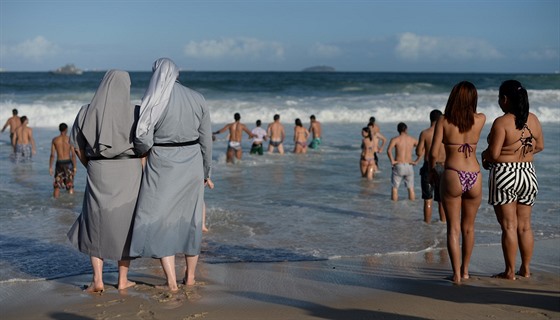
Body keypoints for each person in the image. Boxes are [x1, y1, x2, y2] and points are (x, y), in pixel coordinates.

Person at [130, 58, 213, 292]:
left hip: (163, 163)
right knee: (191, 220)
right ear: (177, 73)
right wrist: (206, 171)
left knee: (161, 221)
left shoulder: (154, 99)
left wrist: (139, 152)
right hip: (193, 161)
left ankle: (172, 282)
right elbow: (206, 140)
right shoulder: (198, 98)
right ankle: (191, 278)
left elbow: (143, 140)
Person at [67, 70, 142, 292]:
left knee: (94, 222)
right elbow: (145, 145)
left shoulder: (85, 112)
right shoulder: (136, 112)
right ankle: (122, 280)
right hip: (129, 169)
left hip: (97, 168)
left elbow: (77, 147)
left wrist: (90, 165)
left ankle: (98, 280)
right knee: (126, 223)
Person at [481, 80, 544, 280]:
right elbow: (540, 146)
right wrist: (522, 153)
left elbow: (494, 153)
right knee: (525, 225)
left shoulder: (502, 122)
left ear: (505, 99)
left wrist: (484, 154)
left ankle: (509, 271)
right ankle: (525, 269)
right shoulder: (533, 119)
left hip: (506, 173)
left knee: (509, 226)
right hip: (528, 172)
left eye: (500, 98)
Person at [430, 81, 486, 284]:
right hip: (475, 174)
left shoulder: (443, 121)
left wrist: (431, 171)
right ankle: (465, 271)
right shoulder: (480, 119)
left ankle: (455, 275)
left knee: (453, 228)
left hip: (453, 173)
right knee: (469, 228)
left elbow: (434, 153)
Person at [416, 110, 446, 223]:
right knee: (441, 200)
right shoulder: (446, 133)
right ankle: (443, 223)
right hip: (443, 167)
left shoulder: (425, 133)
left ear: (430, 119)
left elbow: (419, 152)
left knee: (428, 198)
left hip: (429, 167)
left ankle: (427, 225)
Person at [386, 122, 420, 201]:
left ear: (398, 130)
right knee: (411, 188)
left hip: (399, 165)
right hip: (409, 165)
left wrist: (392, 161)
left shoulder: (395, 139)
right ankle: (412, 207)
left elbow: (389, 150)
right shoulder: (412, 139)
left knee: (395, 188)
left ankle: (394, 208)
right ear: (406, 129)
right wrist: (416, 161)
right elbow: (423, 149)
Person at [49, 123, 77, 198]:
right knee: (70, 184)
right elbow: (73, 155)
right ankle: (71, 201)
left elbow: (52, 155)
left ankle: (55, 202)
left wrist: (50, 167)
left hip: (59, 163)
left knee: (57, 186)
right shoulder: (69, 139)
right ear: (66, 129)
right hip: (68, 163)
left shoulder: (55, 140)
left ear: (59, 129)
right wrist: (75, 167)